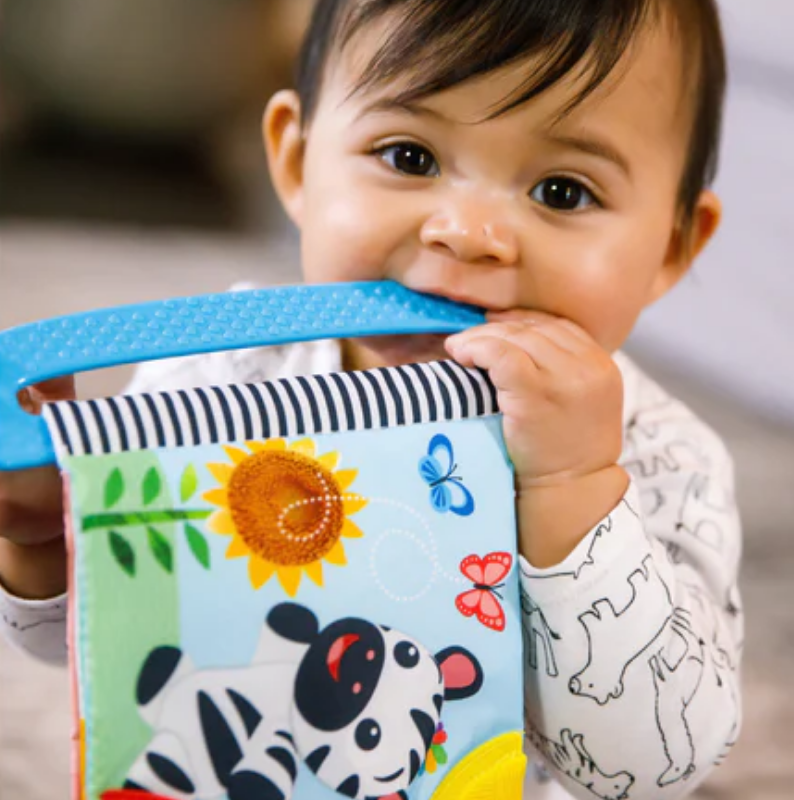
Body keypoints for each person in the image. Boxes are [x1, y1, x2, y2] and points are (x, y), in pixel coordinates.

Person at [0, 1, 743, 797]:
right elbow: (121, 646)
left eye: (563, 190)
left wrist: (574, 489)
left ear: (671, 246)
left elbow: (657, 768)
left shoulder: (663, 456)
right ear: (296, 162)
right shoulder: (218, 376)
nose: (468, 232)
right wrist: (47, 545)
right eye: (410, 156)